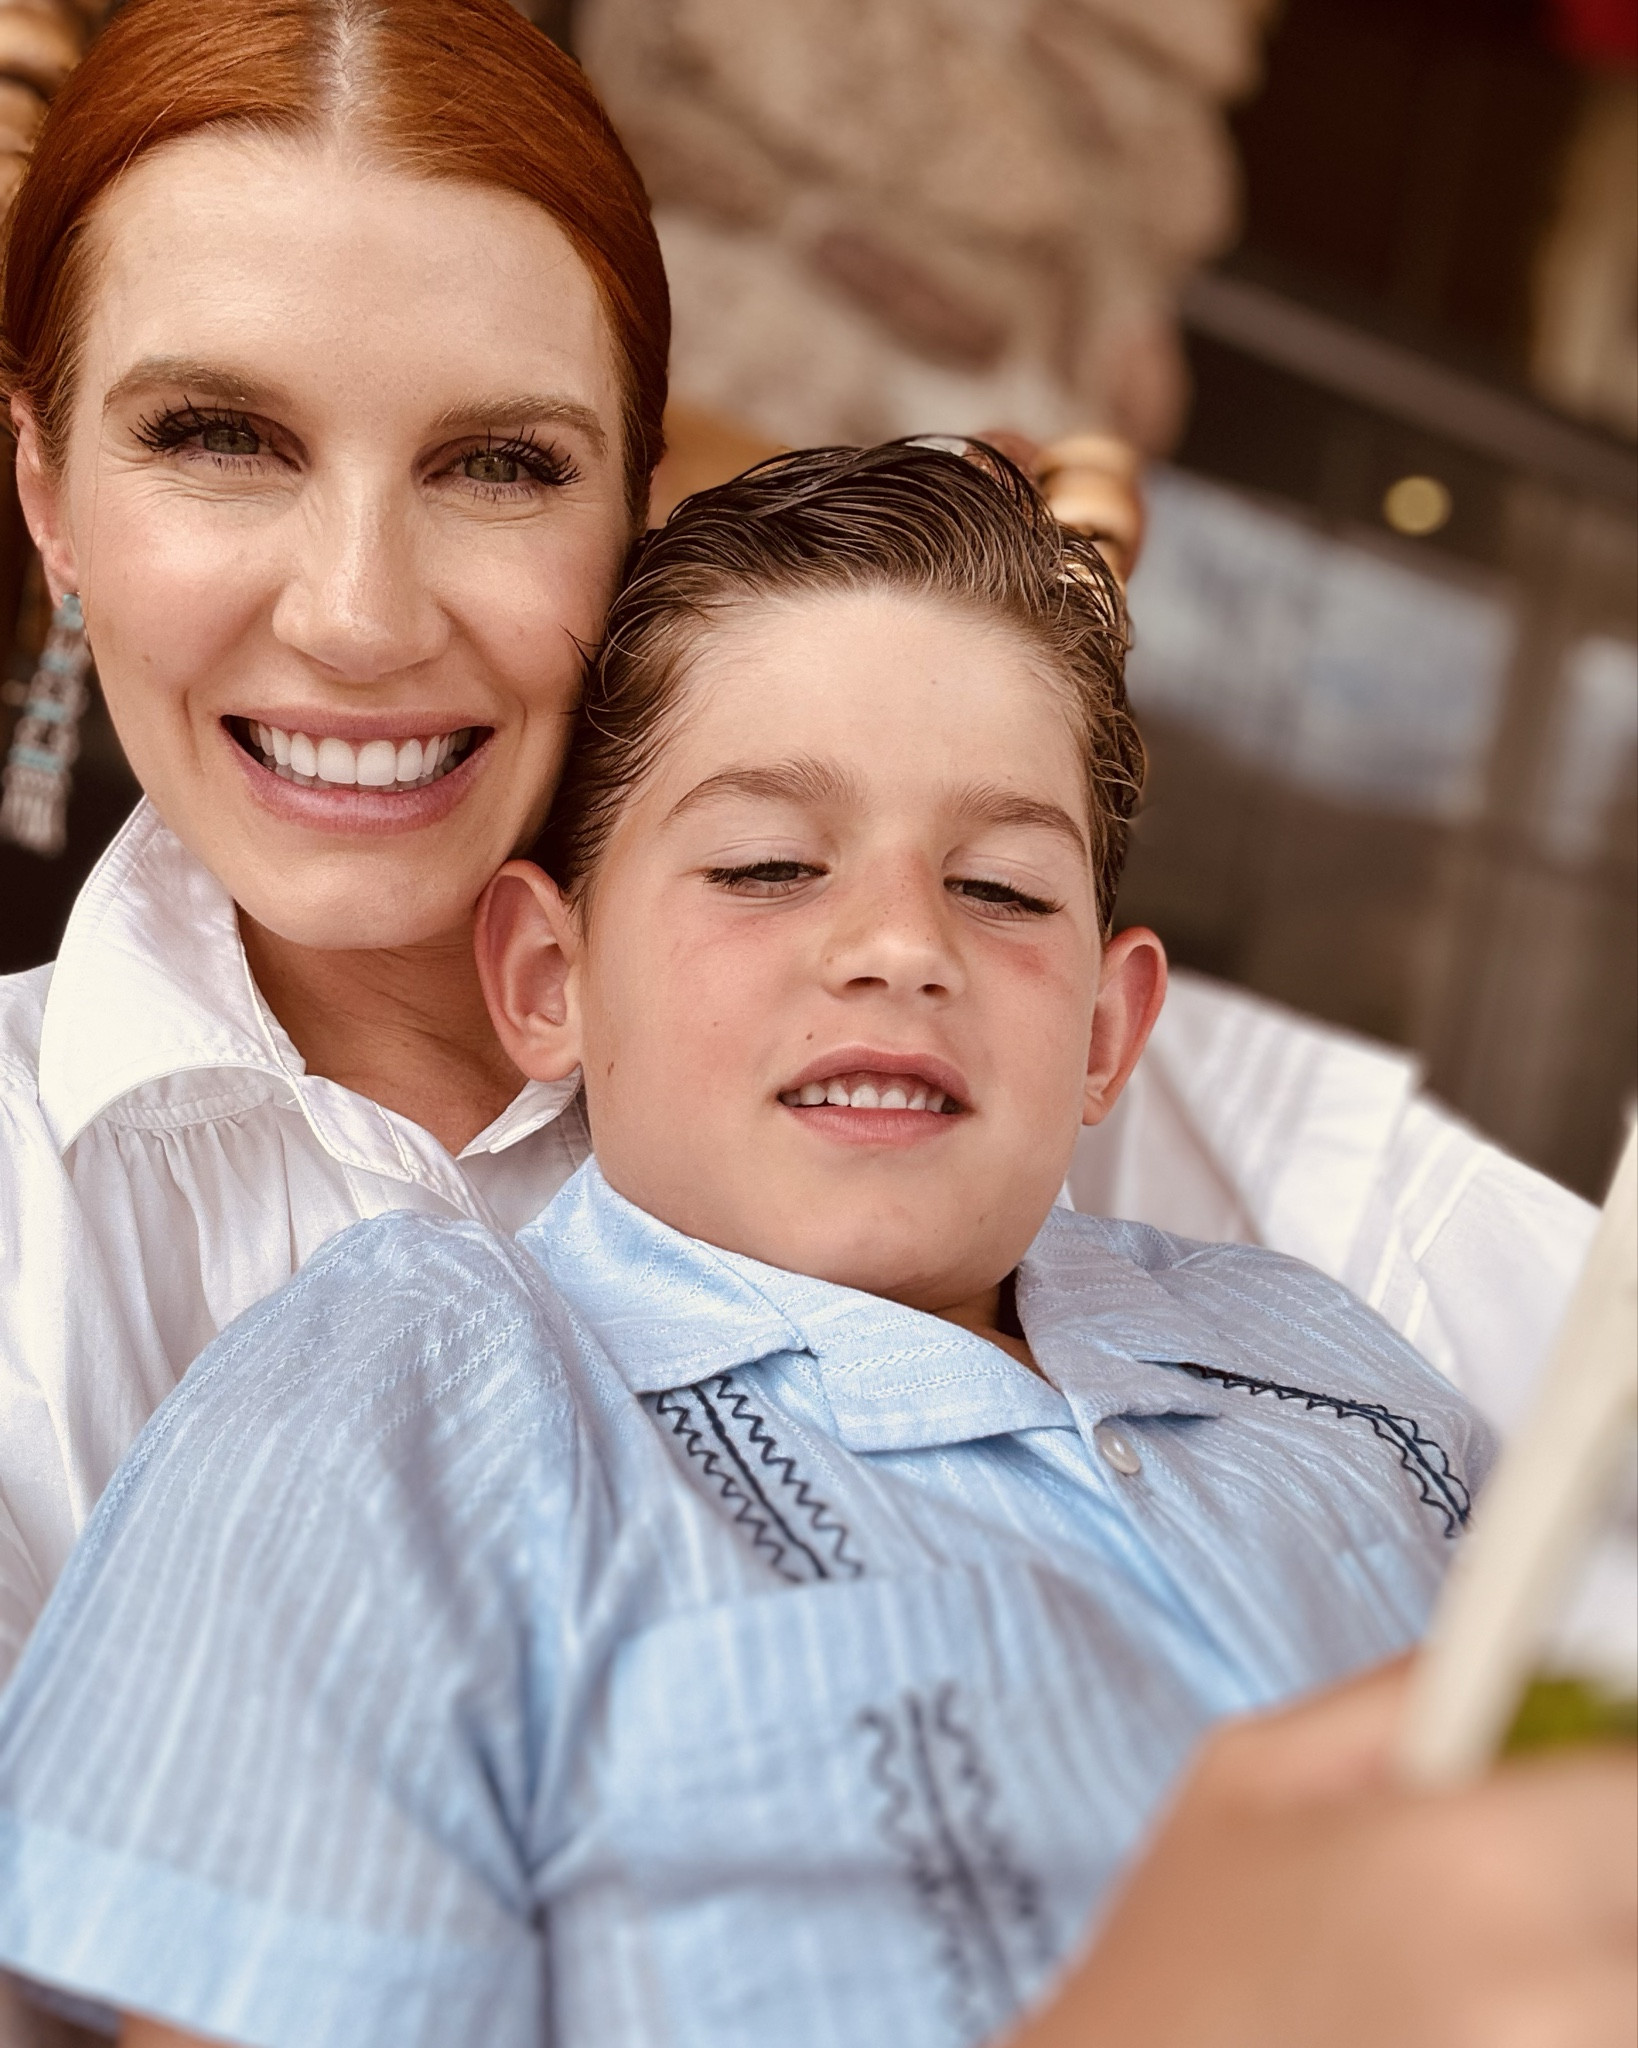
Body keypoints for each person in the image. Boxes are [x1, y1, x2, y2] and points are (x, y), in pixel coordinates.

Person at [0, 444, 1629, 2048]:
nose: (901, 943)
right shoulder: (402, 1393)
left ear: (1104, 1035)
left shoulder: (1313, 1342)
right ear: (549, 980)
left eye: (999, 889)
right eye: (769, 864)